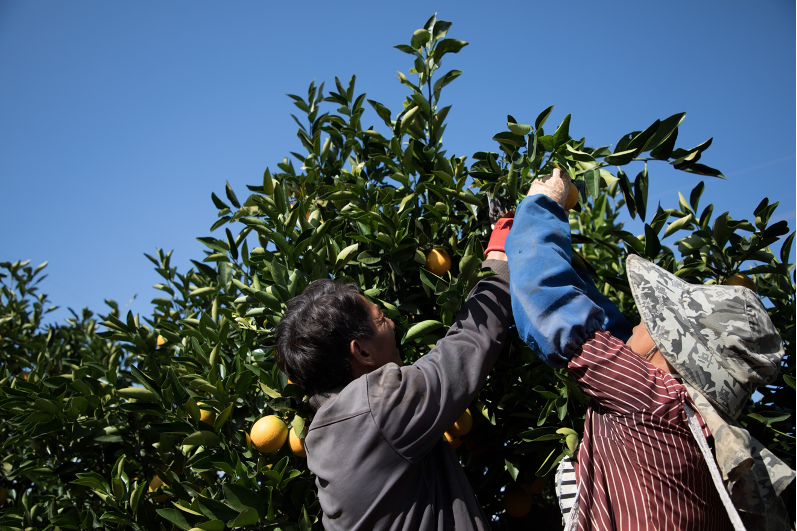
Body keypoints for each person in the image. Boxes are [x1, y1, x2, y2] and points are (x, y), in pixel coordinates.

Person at [504, 169, 794, 530]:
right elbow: (611, 332)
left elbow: (546, 302)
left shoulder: (654, 401)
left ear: (666, 353)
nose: (636, 323)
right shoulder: (706, 434)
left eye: (647, 322)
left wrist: (540, 207)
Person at [274, 222, 515, 531]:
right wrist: (499, 252)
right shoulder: (379, 408)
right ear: (361, 352)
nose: (391, 324)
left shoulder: (324, 436)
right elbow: (467, 346)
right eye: (381, 318)